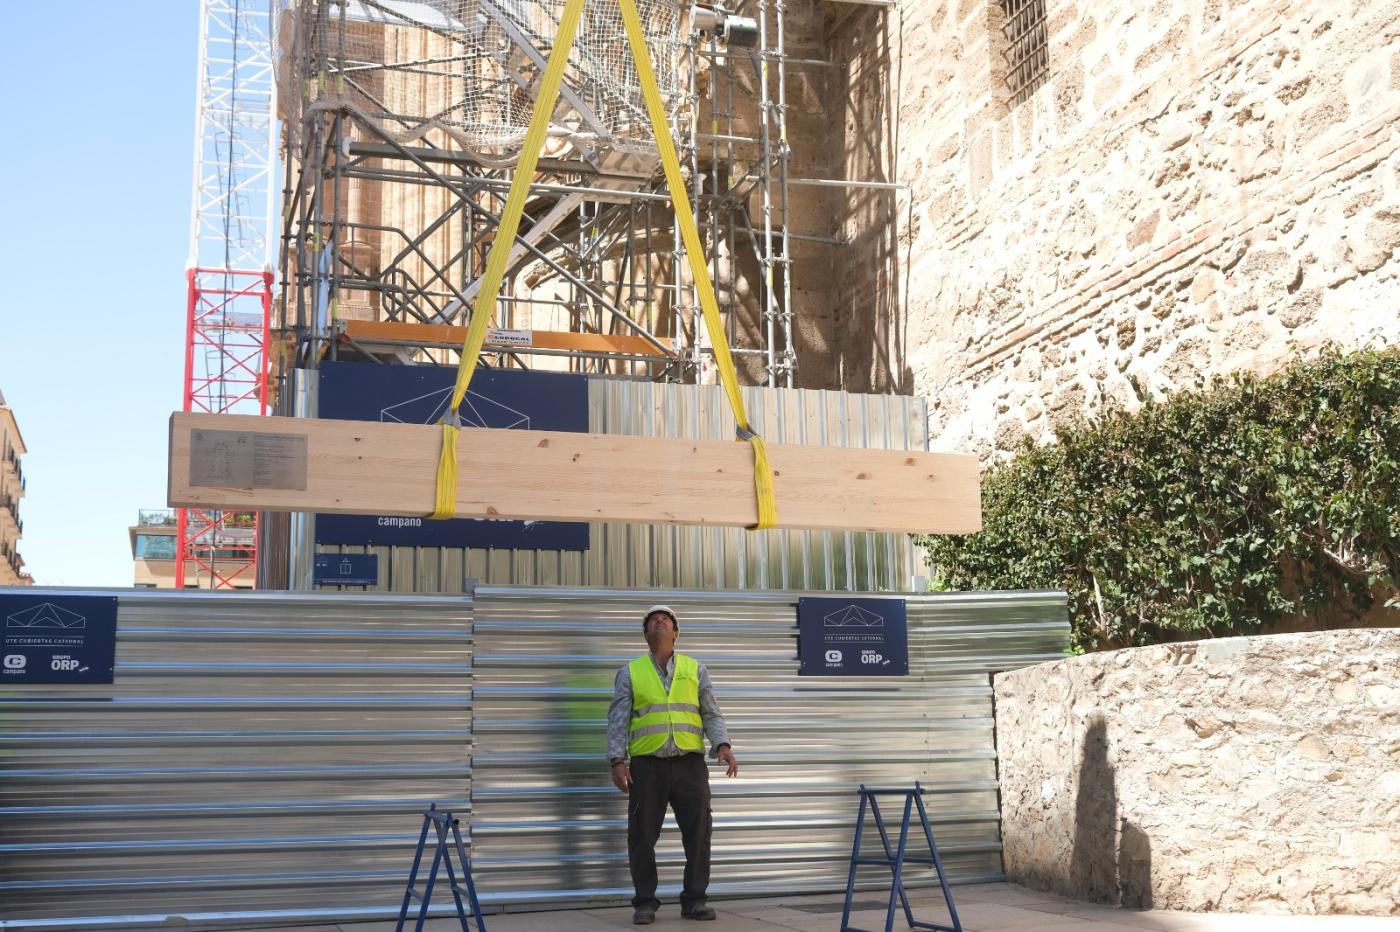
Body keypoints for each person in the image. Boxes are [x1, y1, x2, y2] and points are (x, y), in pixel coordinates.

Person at [607, 604, 739, 924]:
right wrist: (617, 760)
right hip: (646, 767)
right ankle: (645, 902)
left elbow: (710, 712)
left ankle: (694, 900)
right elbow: (618, 720)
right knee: (641, 836)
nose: (660, 621)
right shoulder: (630, 672)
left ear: (676, 633)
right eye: (653, 620)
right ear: (646, 635)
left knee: (698, 834)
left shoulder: (696, 669)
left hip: (690, 765)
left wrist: (722, 744)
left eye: (666, 619)